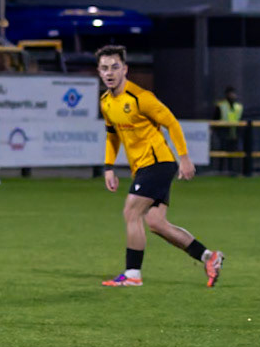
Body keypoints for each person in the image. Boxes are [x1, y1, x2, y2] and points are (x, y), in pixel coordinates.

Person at [96, 44, 225, 287]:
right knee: (156, 223)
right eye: (104, 68)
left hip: (158, 163)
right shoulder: (106, 103)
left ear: (125, 69)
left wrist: (184, 157)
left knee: (131, 211)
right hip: (144, 167)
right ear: (99, 72)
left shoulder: (141, 98)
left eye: (115, 67)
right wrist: (108, 167)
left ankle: (132, 274)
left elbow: (171, 123)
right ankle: (209, 256)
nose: (110, 72)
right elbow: (112, 135)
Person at [214, 86, 243, 174]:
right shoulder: (221, 105)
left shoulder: (238, 106)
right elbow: (215, 118)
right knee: (222, 152)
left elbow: (241, 119)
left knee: (233, 152)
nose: (232, 95)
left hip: (234, 132)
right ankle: (221, 170)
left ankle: (232, 170)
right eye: (231, 93)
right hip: (223, 131)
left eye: (233, 93)